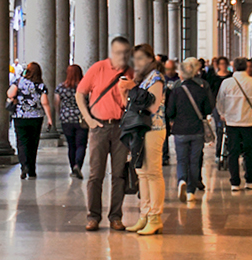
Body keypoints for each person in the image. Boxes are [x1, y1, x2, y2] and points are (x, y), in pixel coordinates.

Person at [76, 37, 135, 230]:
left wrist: (128, 93)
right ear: (111, 52)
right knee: (96, 174)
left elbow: (134, 103)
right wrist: (89, 119)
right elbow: (80, 93)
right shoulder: (98, 68)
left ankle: (115, 217)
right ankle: (93, 216)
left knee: (119, 174)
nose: (122, 57)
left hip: (120, 127)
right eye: (119, 53)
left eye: (126, 53)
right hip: (99, 127)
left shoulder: (130, 73)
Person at [126, 44, 167, 235]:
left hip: (153, 128)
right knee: (141, 172)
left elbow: (152, 105)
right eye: (135, 58)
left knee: (153, 173)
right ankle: (144, 214)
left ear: (151, 60)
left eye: (141, 58)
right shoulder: (142, 79)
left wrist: (132, 88)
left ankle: (155, 216)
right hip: (140, 129)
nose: (137, 62)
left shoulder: (156, 78)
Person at [215, 57, 252, 192]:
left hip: (231, 122)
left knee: (233, 152)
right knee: (249, 152)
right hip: (248, 122)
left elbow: (220, 101)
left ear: (233, 67)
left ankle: (235, 183)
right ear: (246, 67)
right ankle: (249, 180)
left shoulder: (227, 83)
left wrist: (223, 114)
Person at [167, 57, 213, 202]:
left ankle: (181, 180)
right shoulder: (201, 90)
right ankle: (190, 191)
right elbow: (208, 108)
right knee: (194, 161)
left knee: (181, 160)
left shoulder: (176, 91)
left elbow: (169, 112)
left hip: (180, 130)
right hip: (197, 130)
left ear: (180, 75)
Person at [8, 62, 53, 179]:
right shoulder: (40, 85)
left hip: (20, 116)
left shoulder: (18, 81)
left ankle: (24, 166)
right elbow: (45, 102)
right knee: (33, 144)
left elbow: (10, 93)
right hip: (36, 117)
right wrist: (49, 118)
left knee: (21, 142)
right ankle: (32, 170)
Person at [56, 64, 88, 179]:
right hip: (81, 118)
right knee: (81, 144)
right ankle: (78, 165)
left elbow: (57, 102)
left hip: (66, 118)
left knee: (71, 145)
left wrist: (60, 114)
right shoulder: (84, 87)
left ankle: (72, 167)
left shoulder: (61, 87)